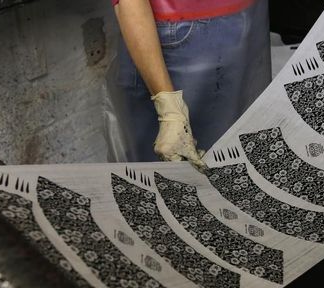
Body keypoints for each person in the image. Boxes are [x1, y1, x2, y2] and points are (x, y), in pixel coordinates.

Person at [111, 0, 271, 169]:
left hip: (246, 18)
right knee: (179, 172)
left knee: (234, 159)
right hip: (183, 36)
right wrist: (169, 108)